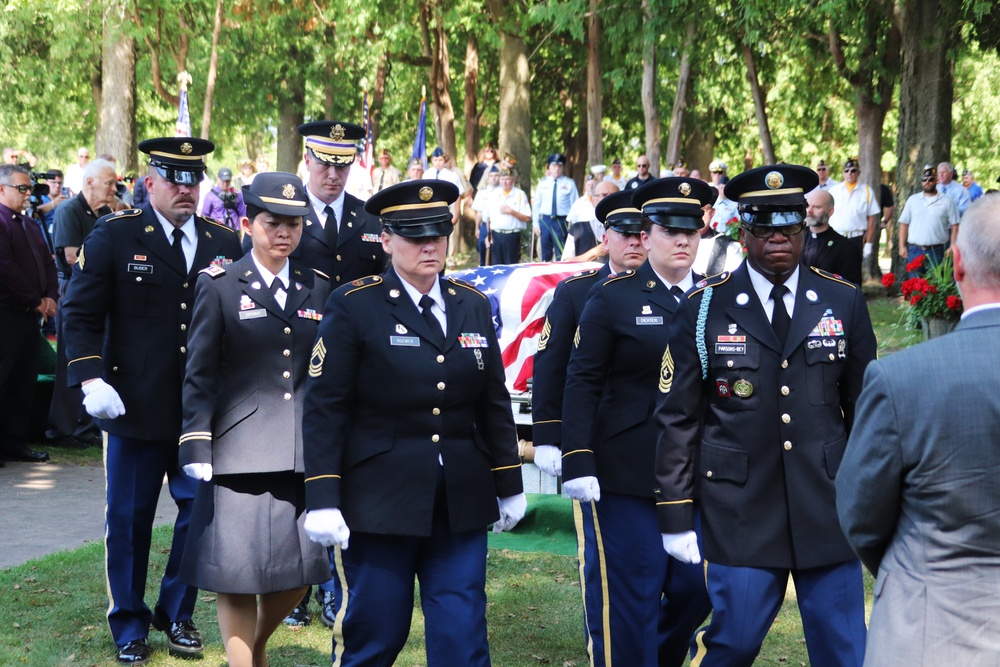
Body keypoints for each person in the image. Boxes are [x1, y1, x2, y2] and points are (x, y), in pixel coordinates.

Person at [653, 164, 877, 667]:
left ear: (805, 226)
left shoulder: (842, 301)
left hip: (826, 505)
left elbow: (867, 411)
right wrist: (674, 512)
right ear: (742, 230)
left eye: (790, 224)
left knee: (847, 651)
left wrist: (876, 500)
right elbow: (678, 419)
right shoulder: (704, 307)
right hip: (740, 509)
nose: (778, 236)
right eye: (764, 225)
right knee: (733, 644)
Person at [301, 179, 526, 667]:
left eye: (438, 233)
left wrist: (508, 482)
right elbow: (325, 407)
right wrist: (321, 496)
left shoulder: (470, 303)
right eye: (414, 235)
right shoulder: (355, 304)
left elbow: (492, 399)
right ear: (385, 240)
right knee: (376, 635)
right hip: (381, 501)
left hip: (460, 500)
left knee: (463, 641)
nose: (429, 245)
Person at [61, 137, 243, 665]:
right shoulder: (116, 235)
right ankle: (128, 625)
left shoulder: (222, 242)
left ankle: (176, 611)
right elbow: (80, 312)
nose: (186, 189)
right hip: (133, 403)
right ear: (151, 181)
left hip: (201, 411)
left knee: (200, 514)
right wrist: (90, 379)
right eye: (175, 179)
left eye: (194, 180)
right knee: (130, 520)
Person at [558, 178, 714, 666]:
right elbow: (582, 381)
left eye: (692, 229)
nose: (684, 240)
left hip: (698, 473)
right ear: (646, 237)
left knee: (698, 587)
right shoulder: (612, 297)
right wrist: (577, 459)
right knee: (634, 596)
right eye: (671, 230)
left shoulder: (716, 298)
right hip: (628, 471)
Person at [839, 192, 1000, 666]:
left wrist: (913, 566)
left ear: (956, 265)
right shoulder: (899, 380)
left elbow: (860, 512)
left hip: (930, 624)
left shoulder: (901, 379)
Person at [177, 172, 330, 667]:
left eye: (294, 223)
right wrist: (196, 443)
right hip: (238, 450)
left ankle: (258, 646)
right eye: (272, 222)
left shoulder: (319, 288)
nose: (284, 232)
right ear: (247, 223)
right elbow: (199, 370)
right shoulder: (220, 284)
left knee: (302, 569)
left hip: (301, 450)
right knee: (236, 572)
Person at [532, 189, 648, 478]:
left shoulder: (672, 292)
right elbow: (551, 365)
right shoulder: (576, 292)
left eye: (641, 233)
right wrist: (547, 435)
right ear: (606, 239)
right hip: (593, 426)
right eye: (624, 233)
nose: (634, 241)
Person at [258, 121, 385, 292]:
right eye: (324, 164)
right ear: (307, 161)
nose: (333, 175)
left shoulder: (371, 217)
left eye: (341, 166)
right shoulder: (280, 211)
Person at [46, 159, 118, 449]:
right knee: (70, 359)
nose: (114, 188)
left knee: (96, 355)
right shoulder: (68, 210)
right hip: (74, 289)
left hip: (100, 291)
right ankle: (61, 429)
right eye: (109, 183)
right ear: (89, 182)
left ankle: (87, 425)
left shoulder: (103, 212)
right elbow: (72, 256)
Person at [0, 163, 56, 465]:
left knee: (24, 381)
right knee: (3, 379)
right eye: (21, 188)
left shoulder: (31, 223)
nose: (27, 193)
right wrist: (36, 300)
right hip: (6, 312)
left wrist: (50, 297)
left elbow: (48, 263)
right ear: (2, 189)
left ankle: (15, 442)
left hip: (29, 315)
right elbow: (5, 267)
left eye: (29, 188)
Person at [897, 164, 960, 276]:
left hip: (937, 251)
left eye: (931, 179)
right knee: (915, 287)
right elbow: (904, 224)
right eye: (924, 179)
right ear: (921, 181)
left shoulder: (947, 201)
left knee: (935, 288)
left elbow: (955, 226)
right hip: (914, 250)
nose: (927, 182)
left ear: (936, 181)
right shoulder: (913, 200)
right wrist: (902, 246)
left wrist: (952, 246)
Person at [801, 188, 862, 285]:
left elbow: (851, 288)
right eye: (807, 206)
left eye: (816, 207)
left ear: (830, 211)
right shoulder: (796, 240)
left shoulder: (846, 248)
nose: (809, 211)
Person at [828, 157, 880, 264]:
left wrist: (868, 243)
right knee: (833, 272)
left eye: (853, 170)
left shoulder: (866, 191)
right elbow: (826, 213)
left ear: (859, 172)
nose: (850, 173)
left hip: (856, 238)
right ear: (843, 173)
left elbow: (871, 219)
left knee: (853, 272)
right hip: (836, 236)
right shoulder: (834, 190)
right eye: (846, 171)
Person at [533, 153, 578, 261]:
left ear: (563, 167)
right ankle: (545, 275)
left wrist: (574, 224)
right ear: (549, 167)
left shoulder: (569, 183)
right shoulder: (543, 183)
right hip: (546, 221)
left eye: (560, 166)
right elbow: (537, 204)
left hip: (561, 222)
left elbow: (575, 205)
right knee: (545, 253)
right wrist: (535, 223)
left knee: (561, 253)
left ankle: (560, 276)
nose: (557, 169)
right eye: (554, 166)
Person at [483, 167, 531, 265]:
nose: (504, 182)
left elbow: (527, 218)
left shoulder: (520, 194)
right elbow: (487, 218)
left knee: (511, 265)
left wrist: (512, 212)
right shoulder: (493, 194)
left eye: (507, 179)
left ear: (513, 180)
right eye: (502, 179)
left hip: (512, 236)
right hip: (496, 236)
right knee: (496, 267)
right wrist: (488, 235)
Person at [561, 179, 617, 261]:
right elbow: (566, 262)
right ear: (593, 200)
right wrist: (596, 252)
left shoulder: (628, 230)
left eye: (613, 196)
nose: (609, 199)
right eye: (604, 195)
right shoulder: (577, 230)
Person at [472, 165, 500, 266]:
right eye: (491, 176)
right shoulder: (482, 192)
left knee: (496, 250)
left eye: (496, 175)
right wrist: (477, 228)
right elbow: (479, 212)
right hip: (484, 225)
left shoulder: (502, 191)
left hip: (498, 225)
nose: (494, 178)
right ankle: (483, 267)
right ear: (488, 178)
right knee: (482, 247)